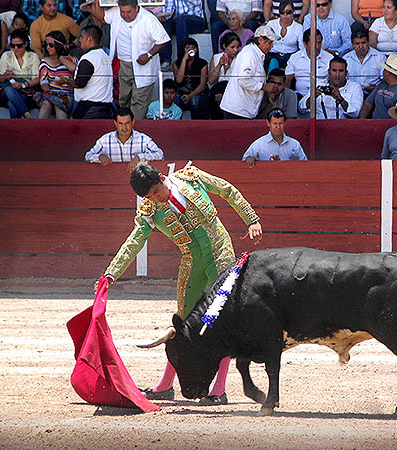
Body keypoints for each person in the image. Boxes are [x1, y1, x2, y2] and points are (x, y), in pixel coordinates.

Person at [101, 162, 263, 405]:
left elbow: (227, 190)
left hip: (219, 250)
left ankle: (218, 389)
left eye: (157, 191)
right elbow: (134, 241)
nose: (157, 199)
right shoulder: (149, 211)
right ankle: (165, 385)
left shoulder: (191, 178)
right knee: (182, 323)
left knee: (220, 320)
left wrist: (251, 219)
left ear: (162, 178)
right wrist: (111, 273)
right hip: (193, 260)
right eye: (150, 197)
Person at [89, 0, 170, 121]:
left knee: (139, 102)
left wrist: (148, 54)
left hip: (144, 67)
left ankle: (135, 130)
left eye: (129, 12)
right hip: (124, 64)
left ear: (137, 8)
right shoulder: (116, 13)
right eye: (123, 12)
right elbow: (102, 16)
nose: (125, 15)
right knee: (123, 98)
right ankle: (123, 126)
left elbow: (163, 40)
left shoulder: (149, 19)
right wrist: (94, 2)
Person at [220, 25, 279, 119]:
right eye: (270, 43)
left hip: (243, 110)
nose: (272, 47)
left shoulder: (255, 53)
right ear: (260, 40)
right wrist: (264, 87)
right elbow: (243, 80)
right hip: (237, 111)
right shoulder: (249, 54)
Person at [85, 107, 164, 170]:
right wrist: (100, 157)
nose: (124, 128)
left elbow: (160, 155)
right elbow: (88, 156)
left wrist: (139, 157)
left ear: (133, 123)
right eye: (120, 123)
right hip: (111, 180)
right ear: (115, 123)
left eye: (127, 123)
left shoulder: (143, 139)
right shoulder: (105, 140)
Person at [70, 24, 114, 120]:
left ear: (89, 39)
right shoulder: (105, 56)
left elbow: (80, 83)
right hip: (107, 108)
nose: (80, 40)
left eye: (82, 37)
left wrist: (65, 81)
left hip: (89, 108)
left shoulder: (88, 58)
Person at [299, 56, 363, 120]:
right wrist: (312, 98)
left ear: (346, 73)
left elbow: (355, 113)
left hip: (343, 127)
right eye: (334, 70)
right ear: (329, 71)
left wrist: (341, 100)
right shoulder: (318, 84)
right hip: (319, 126)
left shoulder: (355, 87)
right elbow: (301, 108)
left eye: (341, 71)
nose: (337, 74)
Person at [0, 28, 40, 118]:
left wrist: (23, 85)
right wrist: (5, 75)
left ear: (26, 44)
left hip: (25, 91)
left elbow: (38, 79)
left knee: (12, 104)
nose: (16, 48)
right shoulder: (6, 55)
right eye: (13, 45)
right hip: (7, 91)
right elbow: (0, 79)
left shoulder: (33, 56)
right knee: (8, 89)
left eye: (19, 46)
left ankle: (15, 129)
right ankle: (26, 114)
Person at [33, 30, 75, 119]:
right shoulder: (44, 62)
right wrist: (48, 90)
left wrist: (61, 58)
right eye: (46, 45)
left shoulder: (71, 60)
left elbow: (74, 69)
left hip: (66, 95)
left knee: (58, 104)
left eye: (51, 45)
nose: (48, 48)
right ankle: (38, 129)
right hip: (51, 94)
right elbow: (43, 83)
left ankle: (61, 131)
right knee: (46, 103)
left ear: (59, 45)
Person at [359, 53, 397, 119]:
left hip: (392, 125)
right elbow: (367, 104)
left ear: (388, 72)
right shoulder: (382, 84)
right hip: (375, 123)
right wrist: (361, 121)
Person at [285, 28, 333, 98]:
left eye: (319, 43)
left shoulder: (329, 58)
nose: (317, 46)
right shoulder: (295, 58)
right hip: (300, 95)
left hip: (322, 96)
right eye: (314, 43)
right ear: (305, 44)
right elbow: (288, 81)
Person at [159, 0, 206, 71]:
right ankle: (166, 61)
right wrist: (165, 18)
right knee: (166, 24)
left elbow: (197, 2)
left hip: (197, 20)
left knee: (181, 20)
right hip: (179, 22)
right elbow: (169, 10)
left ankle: (182, 59)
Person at [173, 37, 209, 119]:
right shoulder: (176, 63)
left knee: (195, 101)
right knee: (176, 100)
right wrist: (184, 60)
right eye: (187, 48)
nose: (190, 50)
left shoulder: (203, 63)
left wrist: (190, 96)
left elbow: (203, 84)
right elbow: (179, 80)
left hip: (197, 92)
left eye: (193, 47)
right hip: (181, 92)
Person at [208, 32, 241, 120]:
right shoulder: (216, 57)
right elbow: (211, 81)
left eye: (237, 47)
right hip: (217, 89)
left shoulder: (240, 59)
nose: (235, 50)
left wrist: (224, 96)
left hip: (233, 91)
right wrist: (219, 65)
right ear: (224, 46)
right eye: (232, 47)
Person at [344, 28, 386, 96]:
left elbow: (385, 81)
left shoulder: (380, 57)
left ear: (368, 42)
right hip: (351, 95)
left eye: (363, 43)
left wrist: (377, 89)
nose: (361, 46)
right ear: (352, 44)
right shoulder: (346, 58)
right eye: (357, 44)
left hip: (373, 94)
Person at [267, 0, 303, 69]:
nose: (285, 15)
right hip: (273, 56)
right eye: (282, 12)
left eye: (288, 12)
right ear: (279, 13)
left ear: (293, 12)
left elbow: (301, 48)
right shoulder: (271, 24)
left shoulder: (299, 28)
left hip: (291, 57)